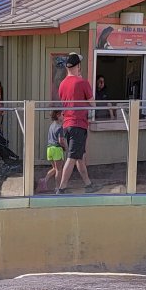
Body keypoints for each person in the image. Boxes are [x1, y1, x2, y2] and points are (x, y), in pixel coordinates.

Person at [55, 53, 92, 193]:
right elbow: (93, 103)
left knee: (79, 157)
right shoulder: (82, 83)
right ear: (78, 66)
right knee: (72, 157)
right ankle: (62, 188)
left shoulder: (62, 84)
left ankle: (88, 184)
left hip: (67, 125)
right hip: (78, 124)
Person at [42, 110, 65, 193]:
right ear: (58, 115)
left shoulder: (51, 125)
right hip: (56, 149)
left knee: (55, 168)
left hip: (49, 149)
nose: (64, 116)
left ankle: (44, 181)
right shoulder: (60, 127)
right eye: (62, 114)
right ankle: (58, 188)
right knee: (59, 170)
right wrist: (65, 147)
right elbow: (61, 140)